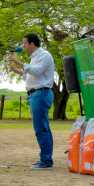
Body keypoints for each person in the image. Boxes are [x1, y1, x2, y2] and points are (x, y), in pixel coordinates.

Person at [9, 33, 55, 169]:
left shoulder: (44, 55)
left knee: (41, 128)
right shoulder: (34, 58)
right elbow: (29, 76)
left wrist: (19, 62)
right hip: (35, 94)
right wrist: (15, 69)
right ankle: (46, 159)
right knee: (42, 128)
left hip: (41, 94)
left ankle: (46, 161)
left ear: (32, 44)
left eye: (24, 43)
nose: (23, 46)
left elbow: (37, 72)